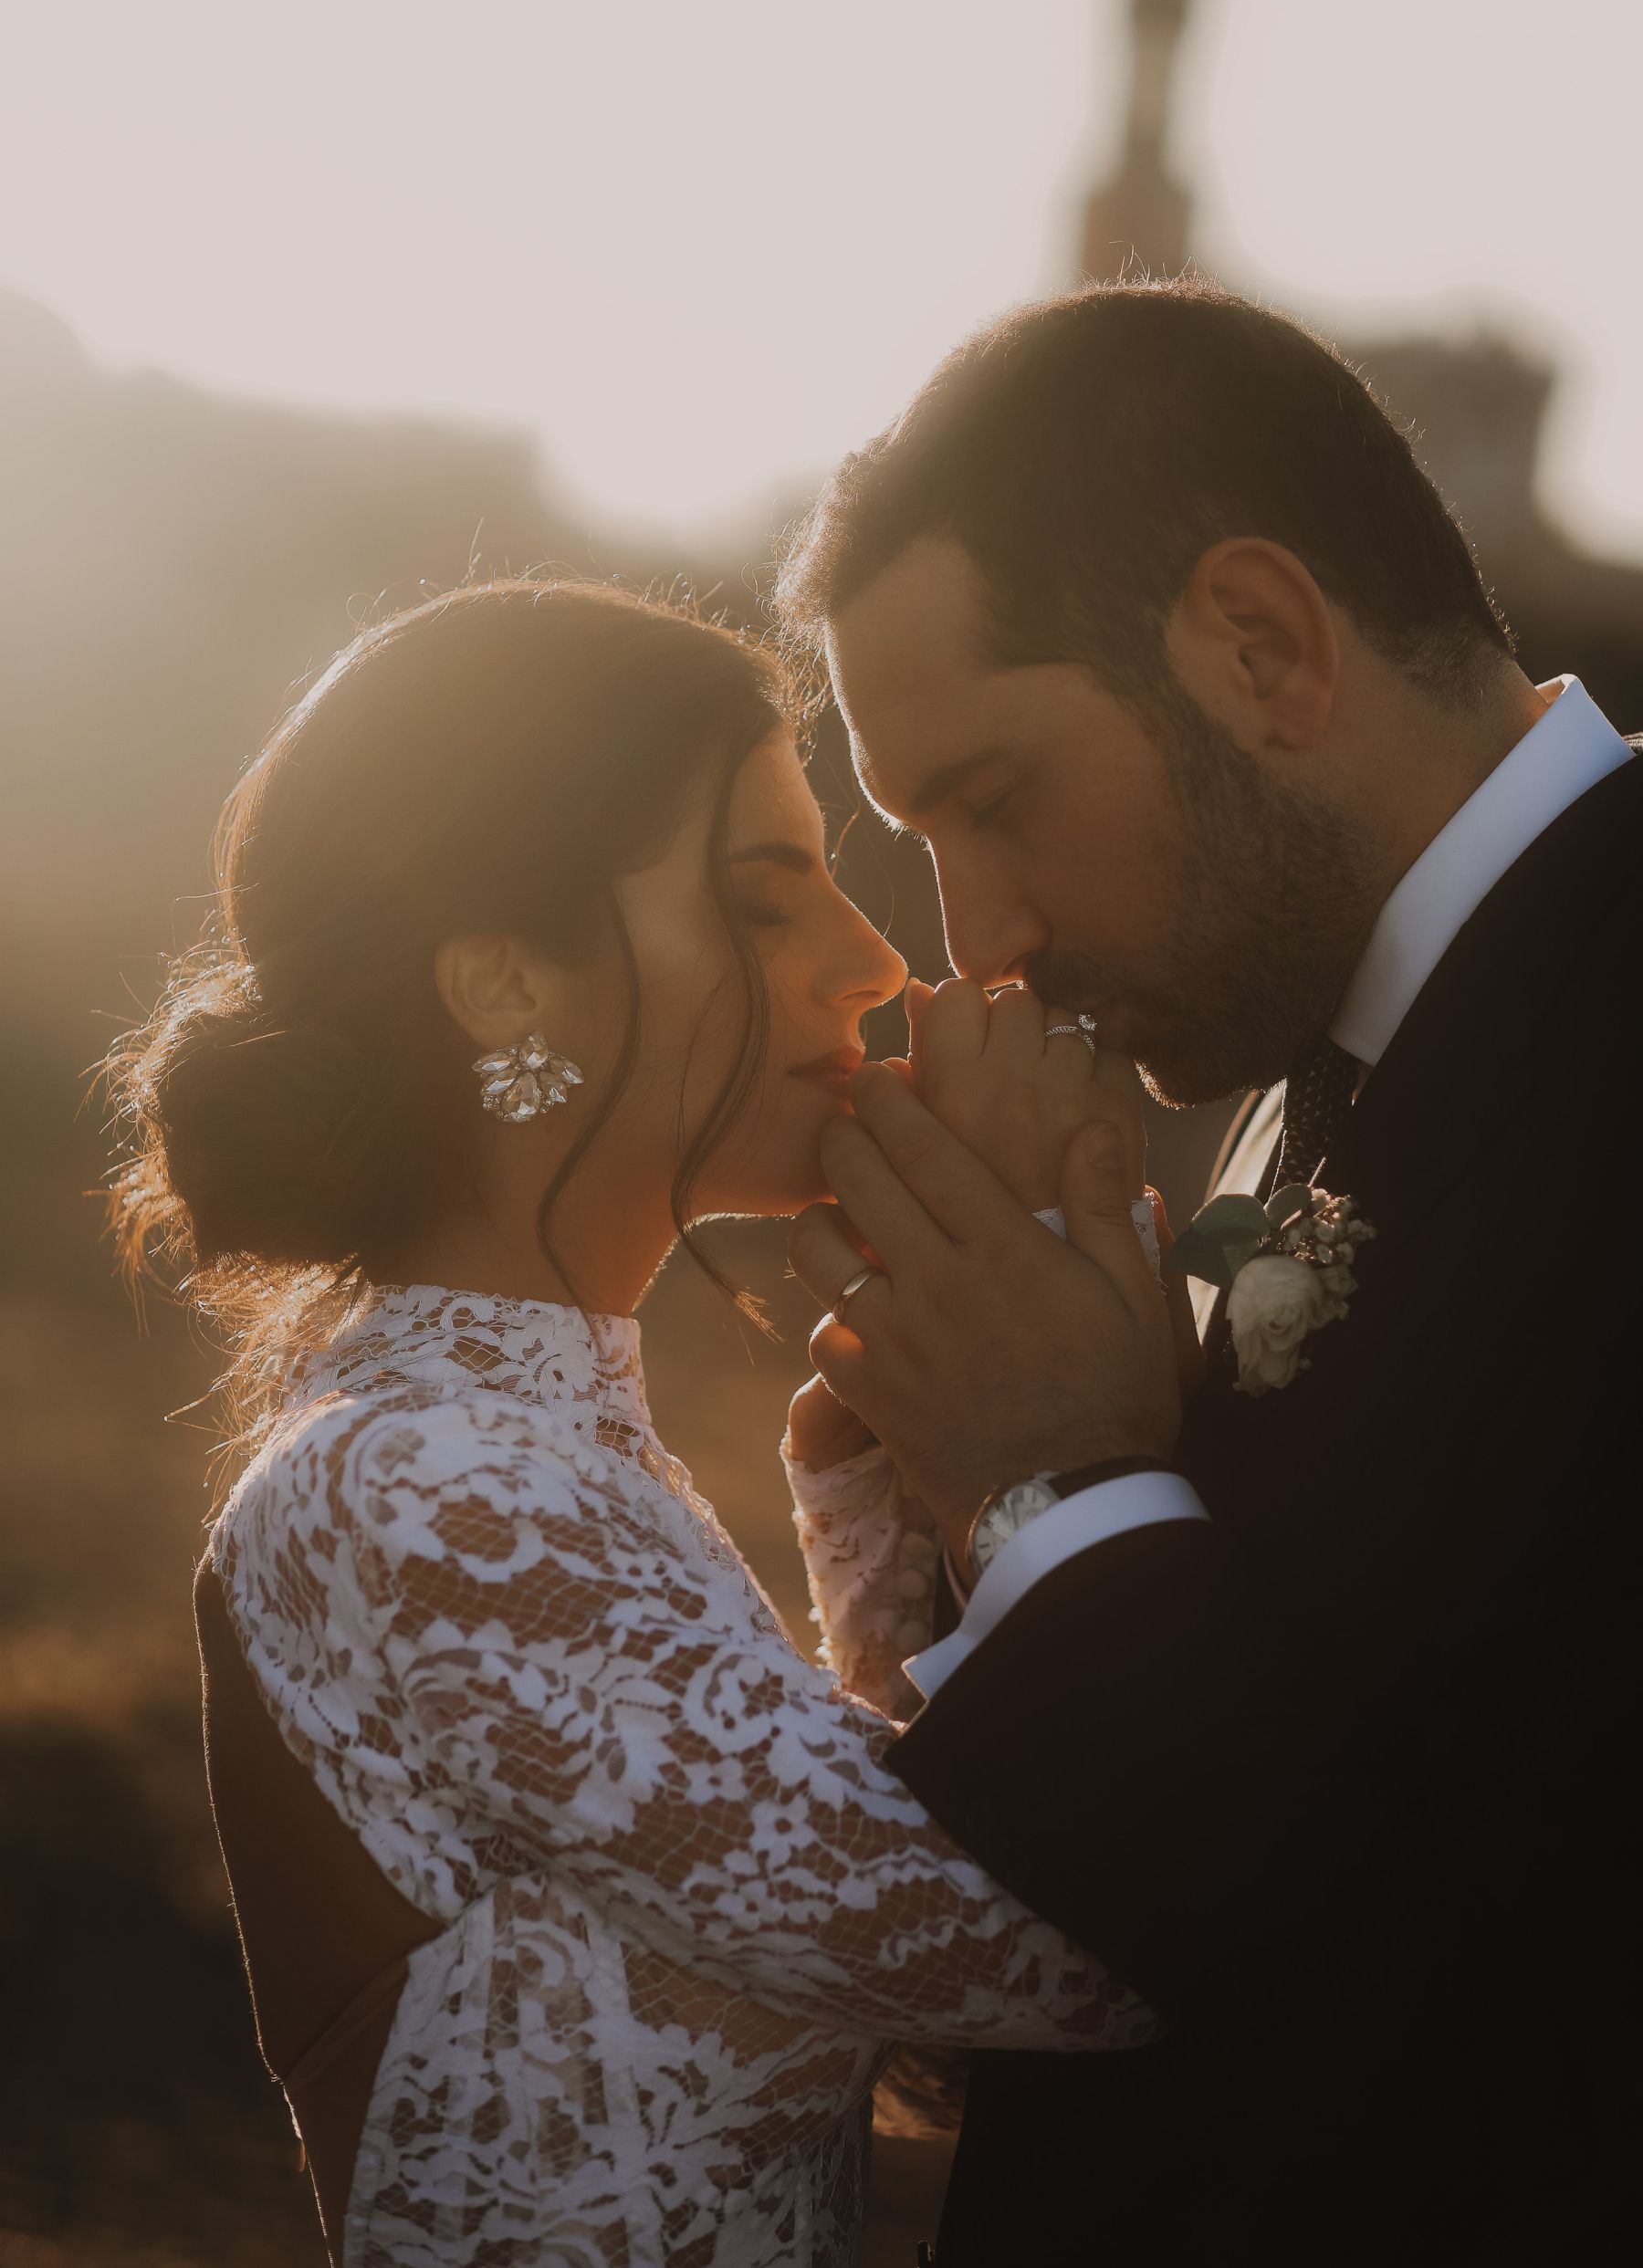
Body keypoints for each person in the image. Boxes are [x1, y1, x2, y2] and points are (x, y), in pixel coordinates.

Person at [102, 578, 1159, 2268]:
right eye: (763, 901)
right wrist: (1043, 1302)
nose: (874, 959)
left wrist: (883, 1493)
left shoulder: (545, 1461)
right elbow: (1083, 1946)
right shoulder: (423, 1488)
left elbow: (936, 2036)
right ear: (505, 987)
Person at [776, 278, 1643, 2265]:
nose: (971, 938)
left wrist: (1060, 1492)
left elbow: (1521, 2015)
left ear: (1259, 646)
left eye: (990, 804)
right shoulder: (1319, 1064)